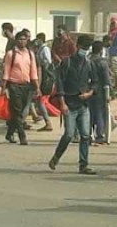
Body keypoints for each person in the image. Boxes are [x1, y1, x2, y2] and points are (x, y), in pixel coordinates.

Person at [48, 35, 98, 175]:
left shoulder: (89, 63)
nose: (85, 50)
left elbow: (95, 83)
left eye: (87, 48)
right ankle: (56, 157)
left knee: (85, 135)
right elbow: (60, 84)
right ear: (77, 46)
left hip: (84, 104)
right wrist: (62, 103)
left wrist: (90, 93)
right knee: (69, 135)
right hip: (69, 104)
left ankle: (83, 165)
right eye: (83, 47)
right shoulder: (66, 62)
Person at [2, 31, 39, 145]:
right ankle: (22, 136)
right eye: (20, 39)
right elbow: (6, 71)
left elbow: (33, 72)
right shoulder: (11, 54)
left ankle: (9, 133)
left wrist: (37, 87)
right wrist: (3, 87)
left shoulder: (30, 54)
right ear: (16, 40)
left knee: (20, 112)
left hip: (26, 86)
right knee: (17, 111)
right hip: (14, 85)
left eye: (24, 39)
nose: (22, 41)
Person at [89, 41, 111, 145]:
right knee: (100, 114)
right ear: (101, 50)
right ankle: (99, 136)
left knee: (89, 113)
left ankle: (88, 135)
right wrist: (109, 94)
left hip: (88, 90)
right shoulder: (103, 63)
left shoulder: (87, 61)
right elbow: (106, 80)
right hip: (100, 91)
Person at [34, 34, 54, 132]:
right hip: (40, 77)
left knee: (34, 101)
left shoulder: (44, 49)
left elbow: (48, 62)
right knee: (38, 101)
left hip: (41, 77)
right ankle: (47, 122)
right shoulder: (39, 49)